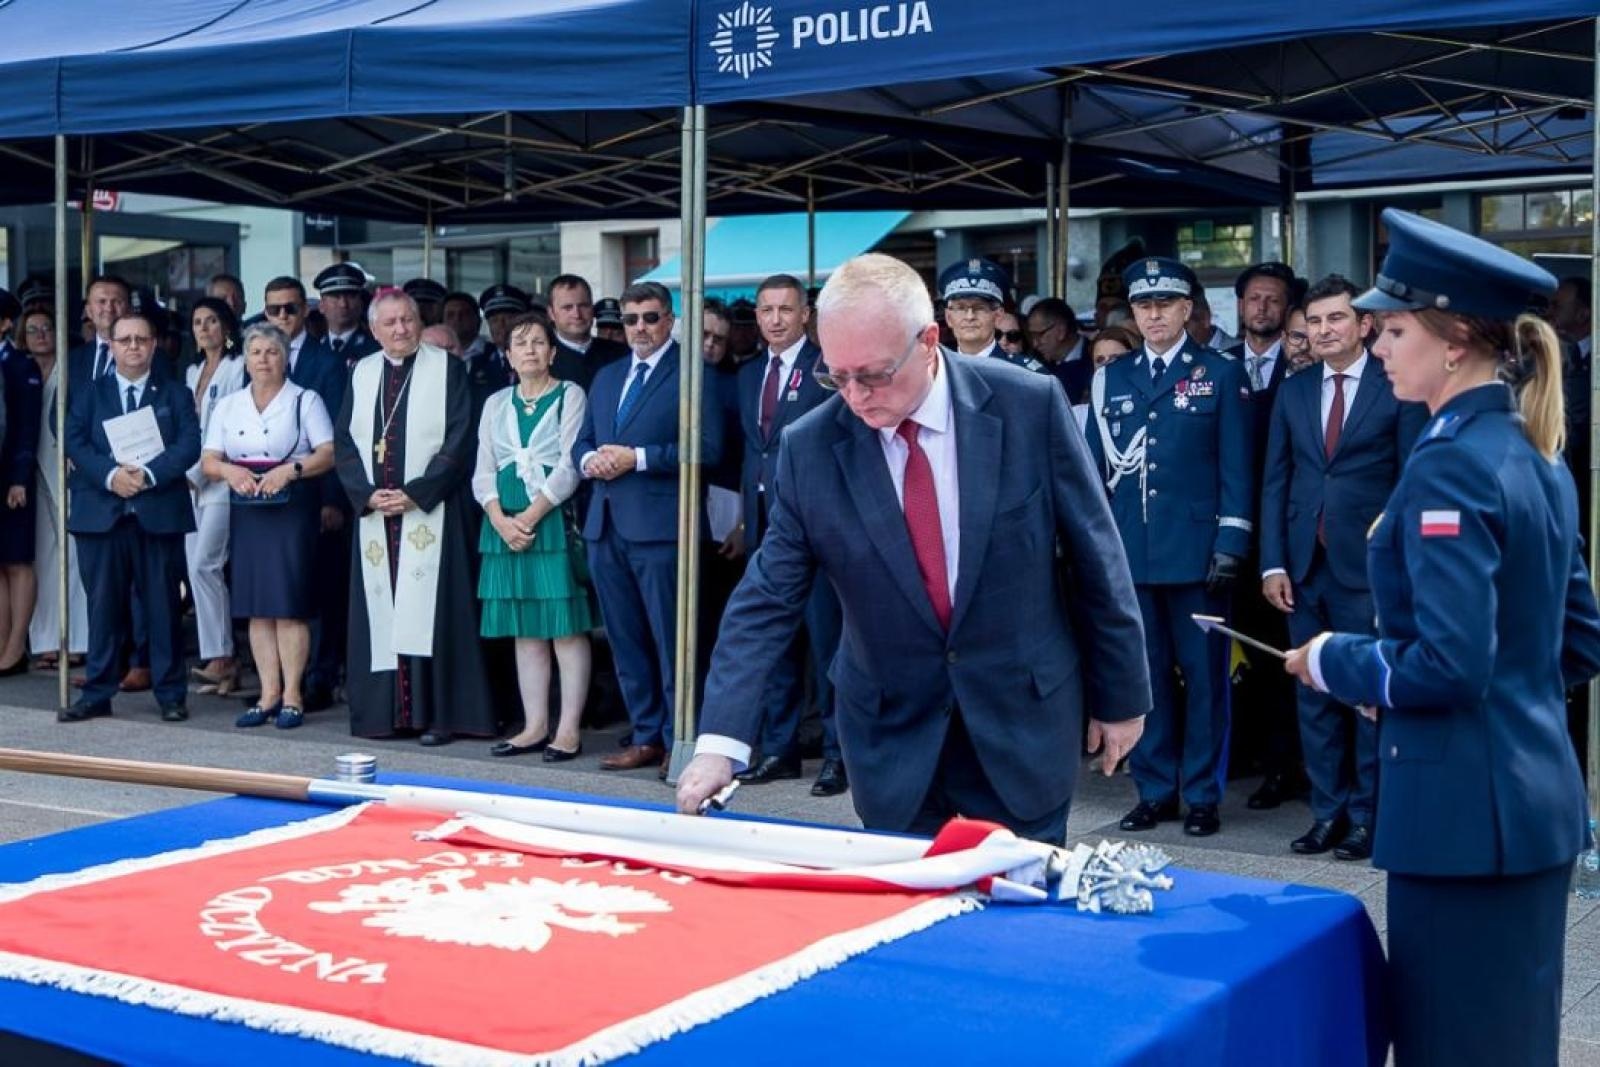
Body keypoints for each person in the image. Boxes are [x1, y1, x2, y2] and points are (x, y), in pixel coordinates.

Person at [677, 253, 1150, 842]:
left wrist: (1123, 696)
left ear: (929, 341)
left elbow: (1095, 554)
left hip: (1020, 721)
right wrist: (720, 744)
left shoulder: (1028, 404)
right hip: (892, 736)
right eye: (836, 375)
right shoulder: (812, 447)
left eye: (872, 375)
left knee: (1026, 921)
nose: (853, 395)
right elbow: (767, 599)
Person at [1285, 208, 1600, 1067]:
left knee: (1455, 1046)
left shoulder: (1453, 461)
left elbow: (1452, 663)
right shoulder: (1533, 451)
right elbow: (1576, 641)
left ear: (1455, 338)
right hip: (1522, 803)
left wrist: (1335, 660)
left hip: (1465, 820)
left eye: (1390, 329)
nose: (1375, 346)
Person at [1259, 274, 1427, 860]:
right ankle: (1327, 812)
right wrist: (1272, 563)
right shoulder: (1295, 389)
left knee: (1364, 695)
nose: (1325, 331)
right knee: (1313, 693)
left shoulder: (1394, 386)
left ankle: (1366, 816)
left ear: (1364, 325)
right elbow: (1276, 479)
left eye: (1337, 319)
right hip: (1304, 567)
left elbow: (1411, 477)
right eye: (1317, 321)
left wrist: (1402, 566)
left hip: (1370, 567)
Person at [1086, 257, 1254, 838]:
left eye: (1165, 303)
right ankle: (1154, 790)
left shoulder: (1221, 373)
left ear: (1188, 309)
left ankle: (1203, 793)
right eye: (1143, 304)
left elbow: (1238, 466)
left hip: (1198, 553)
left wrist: (1232, 539)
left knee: (1205, 678)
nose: (1154, 313)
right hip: (1131, 554)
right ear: (1131, 312)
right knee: (1145, 679)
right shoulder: (1113, 376)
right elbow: (1094, 476)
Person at [573, 281, 723, 775]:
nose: (640, 328)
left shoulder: (693, 372)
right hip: (606, 525)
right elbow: (583, 442)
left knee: (672, 640)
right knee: (625, 639)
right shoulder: (608, 375)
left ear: (670, 319)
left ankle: (681, 739)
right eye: (631, 319)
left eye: (650, 318)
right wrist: (592, 458)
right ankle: (645, 735)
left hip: (663, 528)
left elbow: (708, 450)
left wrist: (635, 459)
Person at [334, 289, 494, 745]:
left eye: (408, 320)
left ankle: (442, 714)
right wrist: (366, 495)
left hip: (433, 512)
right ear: (374, 330)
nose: (402, 329)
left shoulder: (448, 369)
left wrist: (417, 492)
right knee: (383, 609)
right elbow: (344, 440)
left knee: (439, 614)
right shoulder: (361, 373)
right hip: (377, 515)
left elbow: (461, 437)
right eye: (391, 323)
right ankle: (387, 713)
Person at [732, 274, 845, 796]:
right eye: (765, 310)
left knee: (828, 646)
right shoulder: (749, 373)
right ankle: (779, 748)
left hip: (819, 528)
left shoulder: (827, 369)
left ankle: (837, 754)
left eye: (785, 309)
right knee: (774, 639)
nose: (774, 319)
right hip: (764, 526)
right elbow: (751, 453)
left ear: (806, 314)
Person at [60, 311, 200, 723]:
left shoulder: (174, 393)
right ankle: (98, 692)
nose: (134, 347)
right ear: (112, 346)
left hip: (157, 513)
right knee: (103, 608)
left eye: (142, 339)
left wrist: (148, 475)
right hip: (101, 514)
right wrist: (110, 476)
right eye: (126, 340)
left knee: (162, 608)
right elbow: (73, 439)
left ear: (154, 345)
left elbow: (189, 444)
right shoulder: (88, 392)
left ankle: (171, 694)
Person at [201, 323, 336, 730]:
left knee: (288, 605)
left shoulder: (305, 400)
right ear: (246, 358)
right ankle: (267, 694)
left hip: (291, 504)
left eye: (272, 352)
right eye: (256, 352)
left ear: (285, 357)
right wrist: (228, 470)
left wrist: (292, 470)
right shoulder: (229, 404)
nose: (263, 359)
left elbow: (328, 452)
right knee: (258, 608)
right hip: (248, 505)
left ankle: (294, 694)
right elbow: (209, 459)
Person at [473, 313, 594, 760]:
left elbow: (569, 466)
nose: (529, 350)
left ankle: (568, 729)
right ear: (507, 355)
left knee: (564, 626)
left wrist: (529, 516)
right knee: (525, 629)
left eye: (538, 342)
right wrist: (500, 519)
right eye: (520, 343)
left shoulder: (570, 395)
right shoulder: (495, 403)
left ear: (552, 351)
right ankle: (534, 724)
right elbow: (482, 468)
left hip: (549, 521)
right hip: (502, 524)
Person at [184, 297, 247, 694]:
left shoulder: (237, 368)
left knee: (207, 563)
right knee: (194, 566)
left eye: (212, 321)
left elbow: (233, 428)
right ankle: (217, 658)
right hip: (191, 479)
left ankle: (224, 655)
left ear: (226, 329)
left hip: (222, 479)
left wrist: (197, 474)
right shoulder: (191, 372)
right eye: (197, 321)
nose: (204, 328)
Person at [25, 308, 88, 668]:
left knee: (74, 555)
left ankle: (77, 639)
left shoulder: (73, 366)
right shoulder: (23, 368)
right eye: (33, 330)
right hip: (31, 466)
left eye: (47, 327)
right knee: (43, 557)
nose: (41, 335)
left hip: (66, 463)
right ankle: (47, 638)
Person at [0, 288, 36, 675]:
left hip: (12, 475)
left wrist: (19, 478)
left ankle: (15, 645)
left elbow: (27, 427)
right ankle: (1, 639)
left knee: (17, 559)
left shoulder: (19, 363)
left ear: (7, 322)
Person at [938, 258, 1046, 373]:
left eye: (980, 308)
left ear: (998, 316)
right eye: (960, 308)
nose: (970, 317)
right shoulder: (936, 373)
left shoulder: (1027, 374)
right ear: (948, 317)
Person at [547, 274, 628, 391]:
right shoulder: (541, 359)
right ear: (551, 313)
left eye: (583, 306)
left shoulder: (622, 354)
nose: (577, 314)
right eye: (567, 308)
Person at [1027, 297, 1093, 403]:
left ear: (1061, 331)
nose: (1035, 344)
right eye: (1032, 336)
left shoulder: (1096, 358)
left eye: (1039, 335)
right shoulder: (1036, 364)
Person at [314, 263, 380, 367]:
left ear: (361, 303)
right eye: (335, 297)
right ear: (321, 306)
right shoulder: (313, 348)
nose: (343, 304)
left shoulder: (376, 348)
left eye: (351, 296)